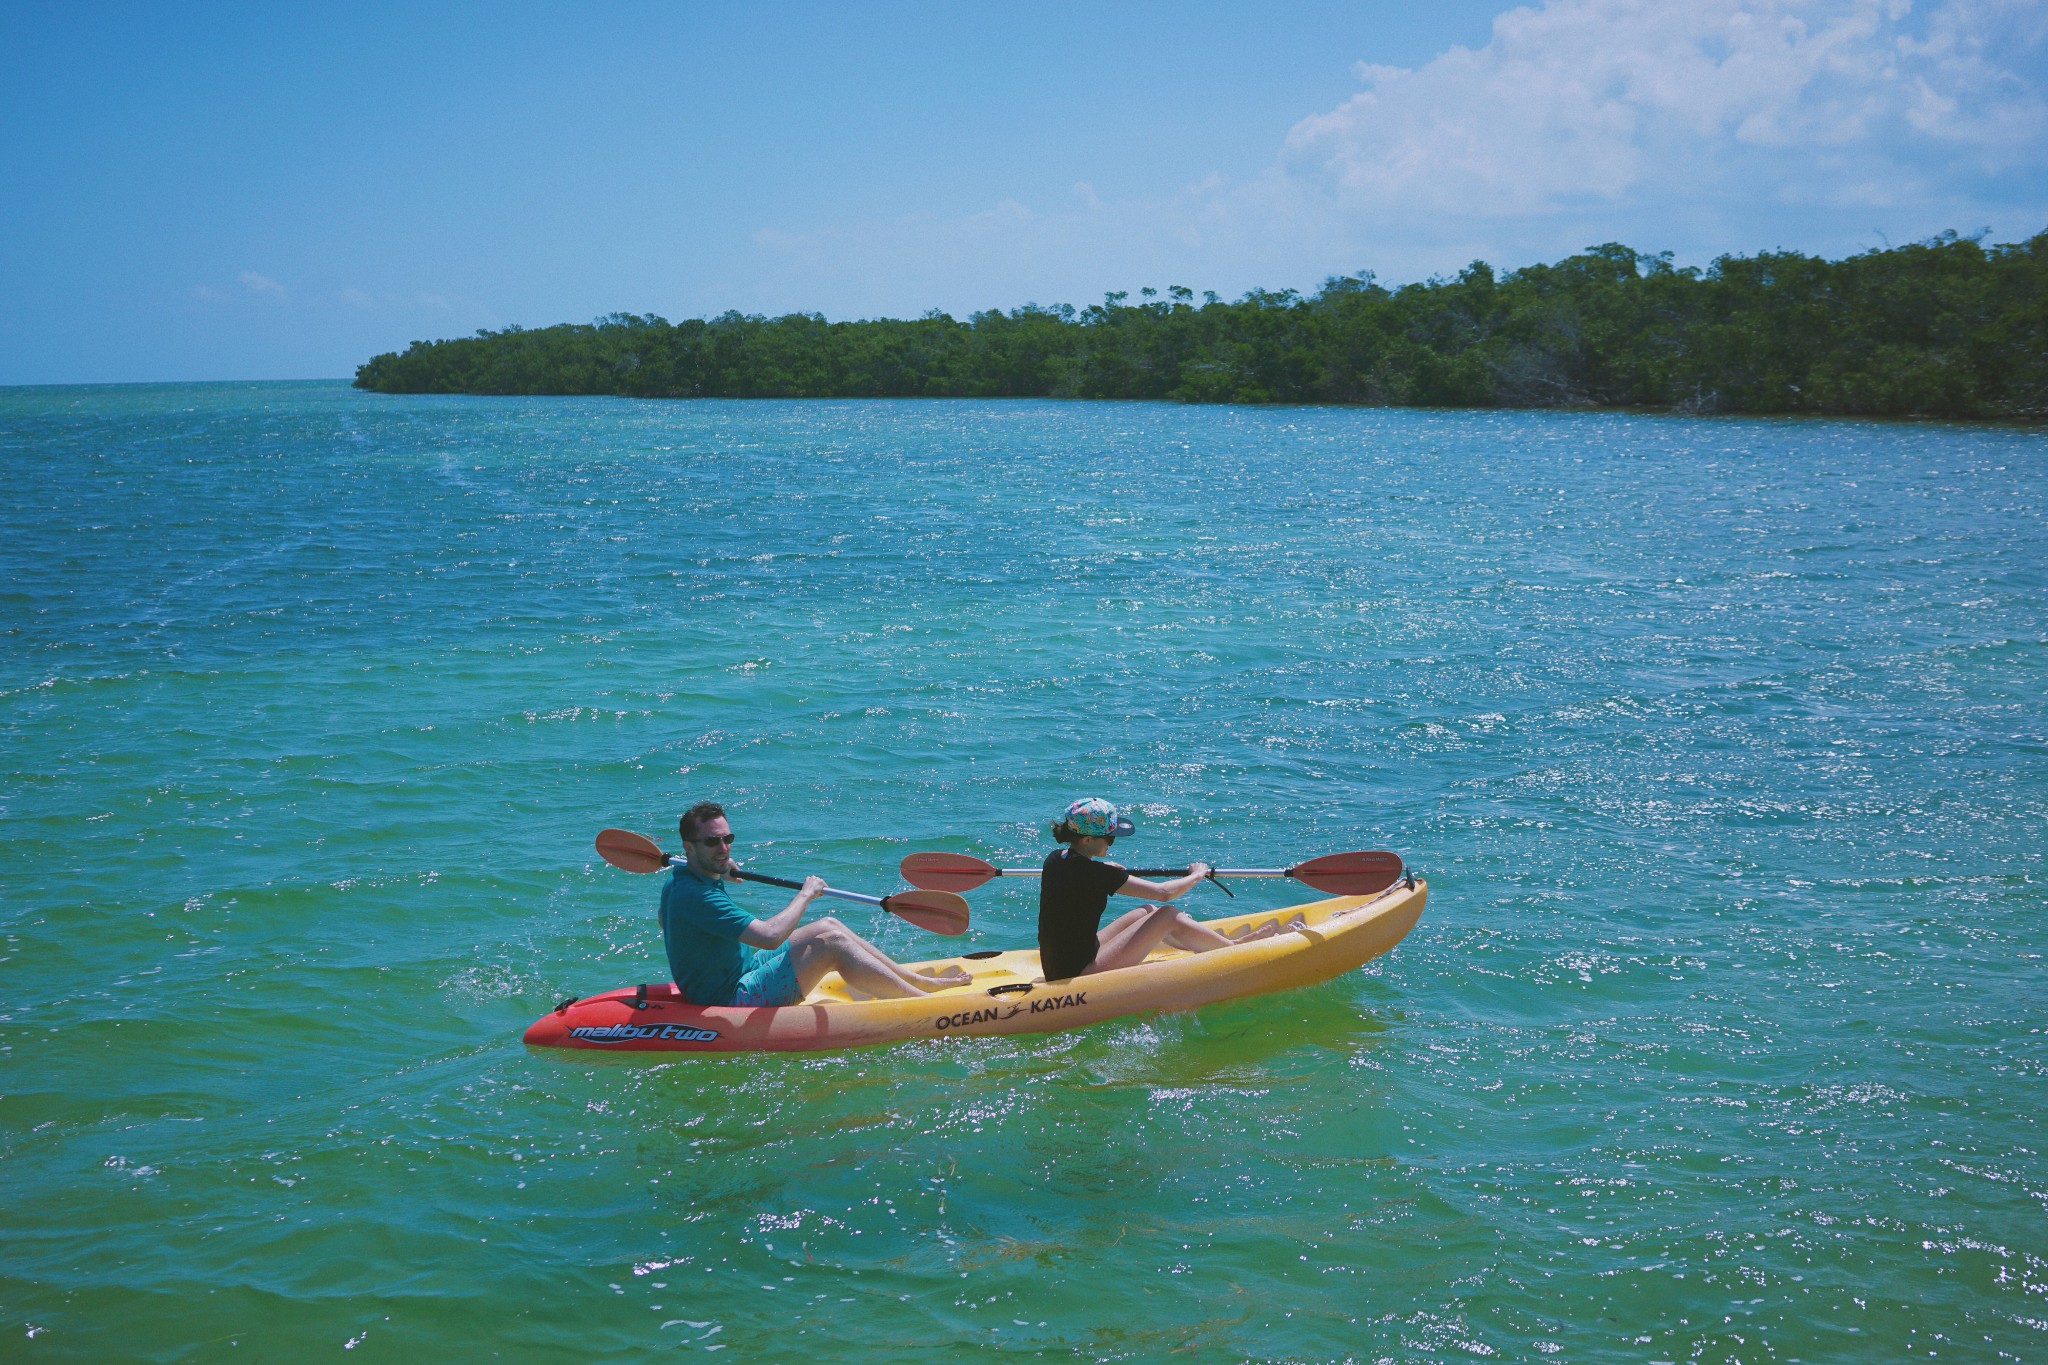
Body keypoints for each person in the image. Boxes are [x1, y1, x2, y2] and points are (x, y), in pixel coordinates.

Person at [661, 801, 970, 1006]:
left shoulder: (679, 880)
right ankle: (922, 1005)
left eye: (728, 839)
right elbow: (769, 938)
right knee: (831, 944)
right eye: (712, 842)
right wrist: (805, 894)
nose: (724, 848)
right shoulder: (699, 896)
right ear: (689, 847)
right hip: (730, 996)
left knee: (830, 926)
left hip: (742, 969)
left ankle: (920, 983)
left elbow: (666, 920)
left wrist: (717, 874)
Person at [1036, 797, 1277, 981]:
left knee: (1146, 911)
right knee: (1167, 914)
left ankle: (1206, 948)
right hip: (1078, 972)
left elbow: (1080, 877)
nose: (1111, 843)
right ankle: (1233, 951)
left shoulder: (1057, 859)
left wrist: (1103, 868)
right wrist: (1197, 875)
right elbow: (1164, 893)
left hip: (1060, 962)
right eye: (1109, 839)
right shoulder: (1098, 874)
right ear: (1087, 840)